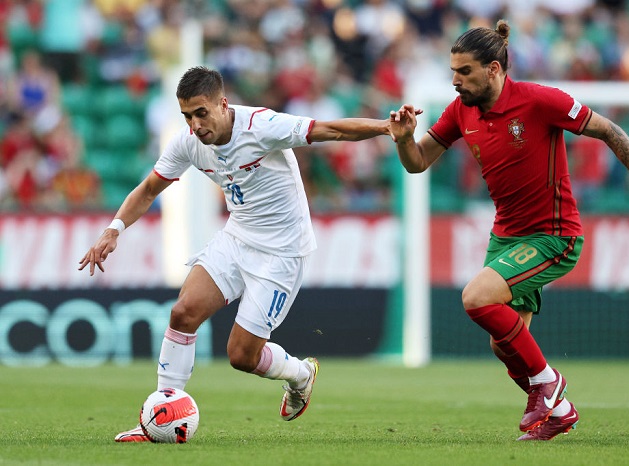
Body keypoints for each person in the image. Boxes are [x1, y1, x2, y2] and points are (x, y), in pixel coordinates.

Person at [388, 20, 629, 441]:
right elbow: (417, 163)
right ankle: (560, 411)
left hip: (554, 235)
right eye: (452, 71)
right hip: (507, 236)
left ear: (494, 69)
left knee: (476, 298)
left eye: (464, 72)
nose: (455, 81)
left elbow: (609, 130)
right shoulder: (461, 111)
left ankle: (549, 384)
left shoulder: (539, 101)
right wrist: (404, 139)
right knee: (504, 344)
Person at [79, 66, 397, 442]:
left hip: (283, 252)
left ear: (223, 104)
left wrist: (385, 127)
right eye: (187, 116)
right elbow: (148, 189)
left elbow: (330, 129)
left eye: (201, 113)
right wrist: (113, 230)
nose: (195, 125)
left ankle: (300, 375)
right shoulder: (188, 142)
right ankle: (160, 414)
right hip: (237, 237)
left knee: (242, 356)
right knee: (183, 313)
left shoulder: (262, 126)